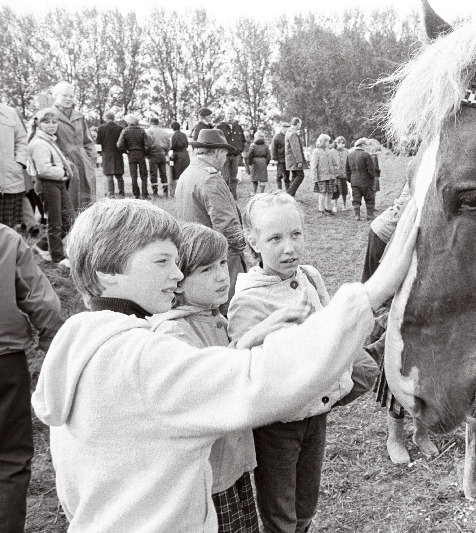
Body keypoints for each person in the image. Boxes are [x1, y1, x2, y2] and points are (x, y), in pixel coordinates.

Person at [30, 196, 415, 532]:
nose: (178, 275)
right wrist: (373, 291)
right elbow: (261, 379)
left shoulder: (83, 343)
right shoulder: (139, 359)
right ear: (107, 272)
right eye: (162, 261)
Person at [227, 192, 378, 533]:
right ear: (253, 241)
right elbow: (244, 366)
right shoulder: (247, 300)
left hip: (314, 413)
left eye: (295, 234)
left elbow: (328, 326)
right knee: (280, 504)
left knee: (306, 496)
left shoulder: (309, 276)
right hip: (278, 422)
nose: (289, 248)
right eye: (275, 238)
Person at [149, 222, 258, 533]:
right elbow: (205, 395)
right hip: (208, 478)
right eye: (207, 269)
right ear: (180, 281)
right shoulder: (174, 332)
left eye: (223, 263)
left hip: (231, 463)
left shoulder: (214, 317)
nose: (222, 275)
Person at [360, 156, 438, 464]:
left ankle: (423, 431)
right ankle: (395, 435)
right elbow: (383, 277)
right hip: (404, 313)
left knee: (430, 374)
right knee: (400, 373)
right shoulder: (401, 226)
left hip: (436, 310)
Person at [0, 223, 62, 533]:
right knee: (10, 458)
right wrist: (53, 345)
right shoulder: (5, 238)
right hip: (5, 360)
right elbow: (42, 301)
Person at [174, 128, 247, 309]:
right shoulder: (211, 179)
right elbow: (228, 227)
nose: (225, 159)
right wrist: (245, 253)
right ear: (217, 152)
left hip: (193, 255)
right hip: (217, 258)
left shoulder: (187, 174)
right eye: (225, 154)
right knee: (230, 308)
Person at [27, 108, 76, 268]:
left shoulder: (49, 140)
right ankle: (57, 257)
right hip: (48, 184)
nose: (51, 125)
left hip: (57, 183)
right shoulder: (39, 143)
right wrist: (64, 172)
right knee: (55, 222)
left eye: (54, 122)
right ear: (38, 124)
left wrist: (66, 166)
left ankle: (42, 246)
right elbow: (44, 169)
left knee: (69, 219)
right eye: (46, 122)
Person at [51, 81, 96, 210]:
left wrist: (91, 158)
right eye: (65, 95)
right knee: (67, 201)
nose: (68, 99)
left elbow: (88, 141)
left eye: (71, 96)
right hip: (63, 163)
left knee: (87, 200)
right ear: (56, 95)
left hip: (83, 163)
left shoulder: (79, 116)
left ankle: (87, 226)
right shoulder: (49, 115)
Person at [0, 102, 28, 230]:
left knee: (8, 228)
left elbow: (22, 139)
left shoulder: (9, 112)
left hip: (9, 179)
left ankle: (7, 250)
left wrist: (19, 162)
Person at [116, 115, 150, 199]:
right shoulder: (142, 131)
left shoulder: (125, 131)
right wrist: (145, 153)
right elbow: (147, 145)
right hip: (140, 153)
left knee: (133, 175)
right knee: (144, 175)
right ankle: (145, 194)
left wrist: (125, 151)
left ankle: (136, 194)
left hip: (131, 153)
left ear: (128, 122)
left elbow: (119, 145)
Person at [216, 109, 246, 200]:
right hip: (225, 155)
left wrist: (240, 150)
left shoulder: (238, 127)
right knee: (225, 177)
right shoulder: (220, 126)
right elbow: (216, 140)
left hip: (235, 155)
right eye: (228, 113)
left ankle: (233, 196)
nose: (230, 115)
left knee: (234, 177)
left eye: (231, 113)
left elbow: (243, 140)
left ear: (234, 115)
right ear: (225, 114)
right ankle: (225, 196)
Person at [345, 137, 377, 221]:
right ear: (362, 145)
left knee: (356, 199)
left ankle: (357, 215)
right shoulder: (366, 155)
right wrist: (372, 178)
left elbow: (347, 170)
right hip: (366, 181)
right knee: (369, 198)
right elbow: (371, 169)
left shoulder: (349, 155)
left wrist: (350, 179)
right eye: (365, 145)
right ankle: (370, 215)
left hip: (354, 181)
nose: (366, 147)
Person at [95, 112, 125, 198]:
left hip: (106, 153)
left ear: (105, 118)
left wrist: (99, 153)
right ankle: (121, 193)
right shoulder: (120, 128)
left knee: (109, 175)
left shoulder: (101, 128)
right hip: (118, 153)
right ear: (114, 118)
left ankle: (111, 193)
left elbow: (98, 142)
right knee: (119, 175)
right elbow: (122, 143)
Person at [310, 134, 338, 216]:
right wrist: (315, 178)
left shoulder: (329, 151)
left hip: (330, 176)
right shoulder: (316, 152)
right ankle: (321, 209)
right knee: (322, 193)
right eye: (327, 141)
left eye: (328, 141)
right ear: (322, 142)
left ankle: (328, 208)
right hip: (321, 176)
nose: (328, 143)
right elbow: (314, 166)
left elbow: (334, 163)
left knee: (330, 193)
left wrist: (335, 171)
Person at [146, 117, 171, 197]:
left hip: (153, 154)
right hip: (162, 154)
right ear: (158, 123)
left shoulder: (149, 132)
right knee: (163, 173)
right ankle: (165, 191)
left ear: (150, 122)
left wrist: (147, 154)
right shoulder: (164, 132)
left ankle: (155, 191)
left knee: (153, 174)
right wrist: (165, 152)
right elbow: (168, 145)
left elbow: (147, 145)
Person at [284, 117, 306, 197]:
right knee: (300, 175)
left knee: (294, 176)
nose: (300, 125)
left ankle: (291, 197)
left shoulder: (289, 132)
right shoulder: (293, 134)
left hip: (290, 159)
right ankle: (288, 195)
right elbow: (296, 149)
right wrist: (299, 161)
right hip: (294, 159)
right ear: (297, 123)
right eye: (300, 124)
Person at [247, 130, 271, 195]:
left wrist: (250, 162)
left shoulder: (253, 145)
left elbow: (249, 155)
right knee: (262, 179)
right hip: (263, 162)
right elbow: (269, 156)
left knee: (254, 179)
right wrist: (266, 162)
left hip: (255, 162)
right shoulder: (266, 146)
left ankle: (254, 192)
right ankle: (261, 193)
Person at [169, 121, 190, 195]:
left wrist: (171, 158)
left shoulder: (174, 136)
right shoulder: (184, 135)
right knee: (186, 173)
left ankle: (179, 191)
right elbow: (187, 144)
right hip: (186, 155)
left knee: (178, 174)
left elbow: (172, 147)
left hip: (177, 156)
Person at [331, 136, 349, 213]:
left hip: (344, 174)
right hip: (335, 175)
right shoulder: (331, 152)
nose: (342, 144)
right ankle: (335, 206)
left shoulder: (346, 151)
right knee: (335, 191)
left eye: (343, 143)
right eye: (340, 143)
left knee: (344, 191)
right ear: (336, 143)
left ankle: (344, 205)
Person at [271, 122, 289, 190]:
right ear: (283, 128)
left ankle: (288, 192)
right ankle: (279, 191)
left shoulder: (288, 136)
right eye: (286, 128)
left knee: (287, 176)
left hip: (287, 159)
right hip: (280, 160)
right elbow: (273, 148)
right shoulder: (276, 137)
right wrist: (275, 159)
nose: (287, 129)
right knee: (279, 176)